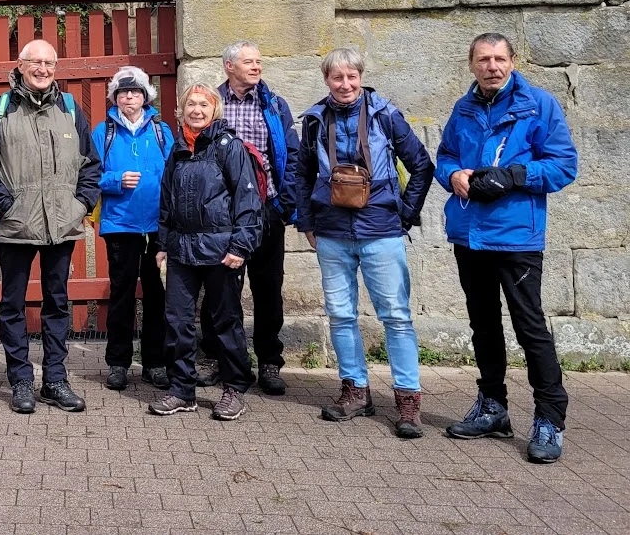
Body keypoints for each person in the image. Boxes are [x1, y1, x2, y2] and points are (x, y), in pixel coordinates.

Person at [436, 33, 578, 464]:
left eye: (499, 58)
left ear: (513, 62)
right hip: (470, 235)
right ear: (471, 64)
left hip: (516, 237)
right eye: (483, 59)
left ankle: (550, 418)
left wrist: (516, 175)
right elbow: (443, 157)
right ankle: (493, 407)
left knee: (529, 327)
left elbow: (563, 165)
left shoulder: (539, 105)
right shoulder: (463, 109)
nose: (492, 66)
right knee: (483, 324)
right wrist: (454, 175)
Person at [294, 47, 434, 438]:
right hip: (332, 232)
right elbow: (301, 175)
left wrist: (404, 214)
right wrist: (307, 222)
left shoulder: (385, 114)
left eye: (351, 76)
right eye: (337, 78)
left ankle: (408, 399)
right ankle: (355, 390)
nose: (345, 84)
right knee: (340, 314)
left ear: (360, 76)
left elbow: (421, 164)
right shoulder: (314, 120)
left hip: (381, 231)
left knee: (396, 316)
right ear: (327, 80)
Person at [0, 39, 101, 414]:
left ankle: (55, 380)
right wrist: (7, 209)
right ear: (21, 65)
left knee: (56, 304)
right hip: (17, 226)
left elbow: (90, 165)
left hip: (62, 225)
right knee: (12, 305)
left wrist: (79, 206)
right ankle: (21, 381)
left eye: (49, 63)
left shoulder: (71, 108)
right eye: (36, 63)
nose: (43, 69)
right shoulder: (0, 110)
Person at [150, 83, 263, 420]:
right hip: (182, 249)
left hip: (222, 250)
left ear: (215, 110)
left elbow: (247, 200)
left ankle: (234, 388)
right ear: (181, 110)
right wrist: (162, 245)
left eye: (204, 104)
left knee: (225, 321)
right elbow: (167, 201)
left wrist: (241, 246)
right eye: (191, 105)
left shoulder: (229, 146)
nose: (196, 110)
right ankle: (182, 389)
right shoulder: (177, 149)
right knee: (178, 321)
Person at [199, 41, 298, 396]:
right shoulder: (213, 103)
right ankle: (216, 358)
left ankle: (269, 362)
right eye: (249, 62)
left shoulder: (273, 104)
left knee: (268, 289)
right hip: (221, 214)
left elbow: (292, 154)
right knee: (220, 290)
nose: (257, 67)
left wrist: (284, 204)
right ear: (229, 66)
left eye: (259, 61)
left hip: (266, 209)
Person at [92, 66, 175, 392]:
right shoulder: (103, 132)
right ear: (115, 97)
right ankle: (118, 363)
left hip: (157, 227)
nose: (129, 96)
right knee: (122, 296)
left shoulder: (162, 130)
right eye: (124, 92)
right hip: (120, 226)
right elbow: (89, 174)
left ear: (145, 96)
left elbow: (175, 171)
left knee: (158, 297)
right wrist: (115, 180)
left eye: (136, 91)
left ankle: (155, 363)